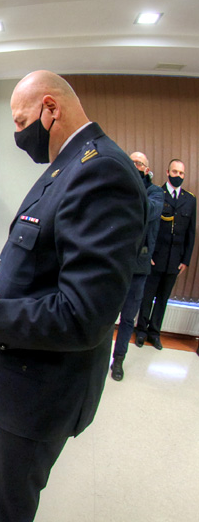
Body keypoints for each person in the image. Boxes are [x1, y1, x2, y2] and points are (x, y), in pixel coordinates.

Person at [0, 71, 145, 522]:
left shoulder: (102, 172)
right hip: (27, 366)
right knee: (7, 476)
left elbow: (83, 315)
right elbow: (45, 253)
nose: (19, 134)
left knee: (16, 492)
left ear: (50, 109)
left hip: (47, 379)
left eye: (21, 122)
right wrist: (1, 275)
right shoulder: (69, 164)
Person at [110, 152, 164, 380]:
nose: (134, 165)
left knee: (127, 319)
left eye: (139, 163)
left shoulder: (156, 192)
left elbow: (148, 212)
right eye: (131, 162)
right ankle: (97, 358)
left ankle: (119, 360)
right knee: (105, 315)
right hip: (114, 264)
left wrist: (131, 188)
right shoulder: (116, 187)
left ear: (147, 170)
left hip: (138, 269)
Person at [135, 158, 196, 351]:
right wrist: (148, 254)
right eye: (175, 172)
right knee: (147, 296)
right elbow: (148, 227)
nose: (179, 176)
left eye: (182, 173)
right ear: (168, 172)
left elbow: (191, 233)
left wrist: (185, 260)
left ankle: (154, 333)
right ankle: (141, 331)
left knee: (163, 298)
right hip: (155, 257)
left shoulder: (190, 200)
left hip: (175, 260)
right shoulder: (157, 194)